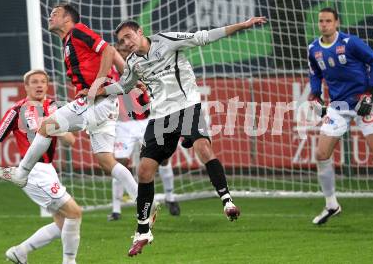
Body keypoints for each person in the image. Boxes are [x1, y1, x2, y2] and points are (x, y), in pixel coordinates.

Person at [92, 16, 267, 256]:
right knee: (144, 170)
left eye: (129, 36)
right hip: (160, 117)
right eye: (122, 41)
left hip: (187, 107)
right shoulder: (132, 63)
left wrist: (242, 25)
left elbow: (203, 37)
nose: (126, 42)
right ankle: (143, 231)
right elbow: (124, 85)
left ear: (140, 32)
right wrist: (101, 92)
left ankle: (227, 201)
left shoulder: (166, 40)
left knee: (203, 148)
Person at [0, 3, 139, 206]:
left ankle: (22, 172)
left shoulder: (77, 31)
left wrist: (96, 84)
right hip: (105, 105)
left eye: (55, 14)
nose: (50, 17)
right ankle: (143, 199)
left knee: (46, 126)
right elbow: (112, 53)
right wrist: (129, 75)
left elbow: (108, 49)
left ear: (67, 19)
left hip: (95, 102)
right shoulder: (68, 42)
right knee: (106, 161)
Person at [0, 69, 81, 264]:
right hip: (33, 172)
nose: (39, 85)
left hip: (49, 170)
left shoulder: (54, 108)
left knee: (63, 223)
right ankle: (69, 261)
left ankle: (20, 251)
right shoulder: (17, 110)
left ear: (47, 86)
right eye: (34, 82)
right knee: (75, 212)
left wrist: (53, 125)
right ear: (26, 87)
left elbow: (71, 140)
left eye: (43, 82)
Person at [307, 7, 373, 225]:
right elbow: (315, 72)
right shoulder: (313, 48)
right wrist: (315, 94)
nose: (324, 24)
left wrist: (370, 92)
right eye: (321, 21)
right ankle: (331, 204)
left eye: (328, 21)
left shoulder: (350, 43)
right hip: (337, 107)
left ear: (337, 22)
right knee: (321, 154)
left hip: (362, 104)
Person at [108, 43, 180, 222]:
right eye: (119, 52)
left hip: (147, 121)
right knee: (120, 165)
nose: (123, 55)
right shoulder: (109, 75)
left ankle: (170, 197)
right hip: (123, 124)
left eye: (125, 51)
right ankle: (116, 209)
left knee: (162, 159)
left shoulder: (142, 67)